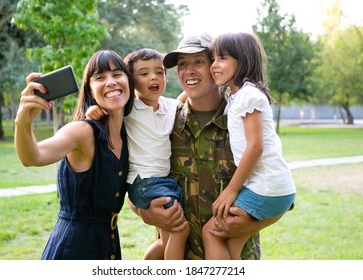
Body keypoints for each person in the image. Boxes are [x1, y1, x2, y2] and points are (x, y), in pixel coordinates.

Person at [132, 33, 262, 260]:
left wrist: (254, 222)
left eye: (198, 62)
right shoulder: (166, 123)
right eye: (182, 64)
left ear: (215, 66)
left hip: (234, 258)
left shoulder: (244, 119)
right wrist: (143, 211)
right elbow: (134, 178)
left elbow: (276, 186)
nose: (188, 71)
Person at [14, 50, 135, 260]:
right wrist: (23, 120)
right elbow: (32, 157)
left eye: (117, 74)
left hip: (108, 246)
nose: (111, 82)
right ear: (90, 89)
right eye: (100, 77)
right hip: (73, 250)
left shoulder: (129, 135)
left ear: (128, 81)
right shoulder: (82, 131)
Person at [86, 48, 190, 260]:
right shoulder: (128, 108)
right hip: (143, 183)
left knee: (166, 239)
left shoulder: (170, 106)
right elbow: (105, 108)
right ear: (130, 82)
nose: (153, 77)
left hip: (164, 181)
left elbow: (187, 95)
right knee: (180, 230)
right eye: (144, 73)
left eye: (159, 72)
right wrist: (92, 111)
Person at [202, 32, 296, 259]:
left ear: (242, 61)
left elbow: (255, 146)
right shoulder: (236, 96)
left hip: (266, 187)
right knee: (232, 244)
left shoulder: (248, 96)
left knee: (211, 232)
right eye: (213, 59)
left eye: (222, 58)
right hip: (276, 188)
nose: (214, 65)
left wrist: (231, 191)